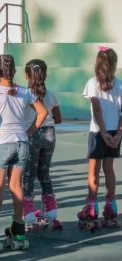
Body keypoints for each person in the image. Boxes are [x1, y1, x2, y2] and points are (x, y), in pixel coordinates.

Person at [0, 54, 47, 249]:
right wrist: (30, 130)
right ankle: (18, 225)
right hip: (21, 143)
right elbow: (43, 112)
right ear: (14, 71)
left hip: (0, 143)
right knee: (16, 185)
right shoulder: (24, 91)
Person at [78, 46, 122, 229]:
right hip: (113, 133)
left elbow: (96, 109)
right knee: (109, 169)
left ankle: (91, 207)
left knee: (94, 172)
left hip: (98, 133)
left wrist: (103, 133)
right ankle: (111, 206)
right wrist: (118, 134)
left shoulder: (92, 83)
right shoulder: (119, 84)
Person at [23, 59, 63, 231]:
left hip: (31, 135)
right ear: (46, 75)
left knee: (29, 173)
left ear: (26, 76)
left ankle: (28, 212)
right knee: (44, 172)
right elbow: (59, 119)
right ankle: (51, 210)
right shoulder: (51, 94)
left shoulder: (24, 94)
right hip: (49, 134)